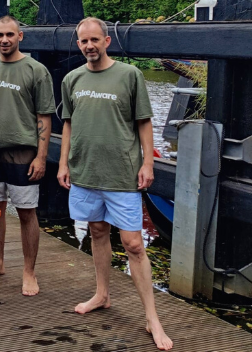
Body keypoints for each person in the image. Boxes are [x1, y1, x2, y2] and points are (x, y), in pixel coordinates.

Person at [58, 17, 173, 350]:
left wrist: (148, 163)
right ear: (78, 44)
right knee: (96, 231)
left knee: (134, 244)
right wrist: (63, 162)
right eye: (83, 41)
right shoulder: (71, 79)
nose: (89, 46)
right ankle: (101, 293)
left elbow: (144, 121)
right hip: (85, 171)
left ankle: (152, 318)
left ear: (106, 41)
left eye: (95, 40)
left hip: (122, 173)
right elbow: (67, 124)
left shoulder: (129, 75)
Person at [0, 16, 55, 297]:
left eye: (9, 34)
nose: (4, 40)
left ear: (20, 36)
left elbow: (44, 117)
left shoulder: (36, 70)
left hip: (23, 152)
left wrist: (41, 157)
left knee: (27, 213)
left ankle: (29, 272)